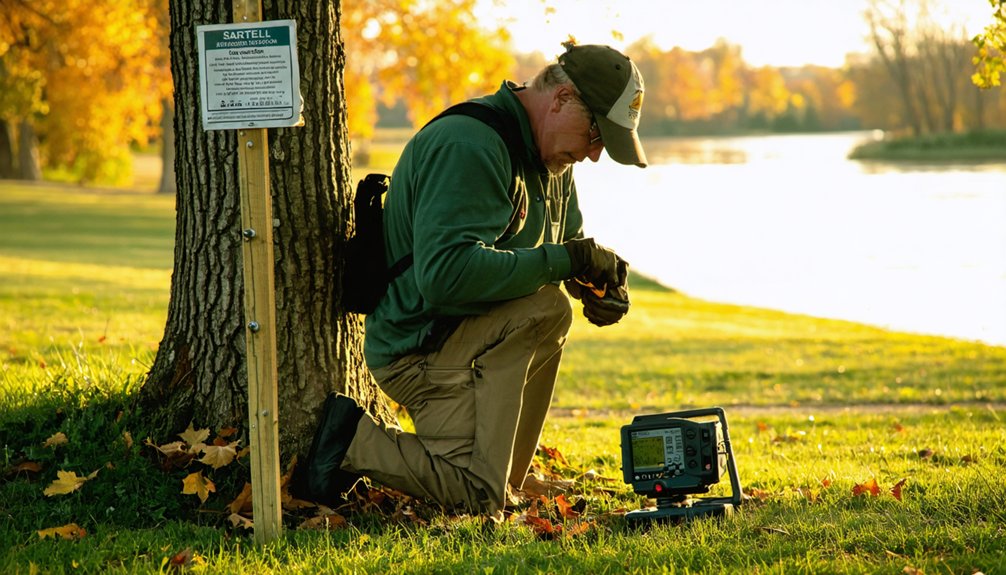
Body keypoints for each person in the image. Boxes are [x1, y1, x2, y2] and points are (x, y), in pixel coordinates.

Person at [295, 41, 647, 515]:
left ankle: (503, 481)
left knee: (552, 308)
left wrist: (594, 283)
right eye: (595, 134)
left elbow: (565, 245)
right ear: (562, 98)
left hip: (466, 339)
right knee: (481, 493)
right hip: (419, 351)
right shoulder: (472, 146)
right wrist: (566, 261)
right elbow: (446, 276)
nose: (595, 154)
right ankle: (350, 442)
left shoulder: (552, 156)